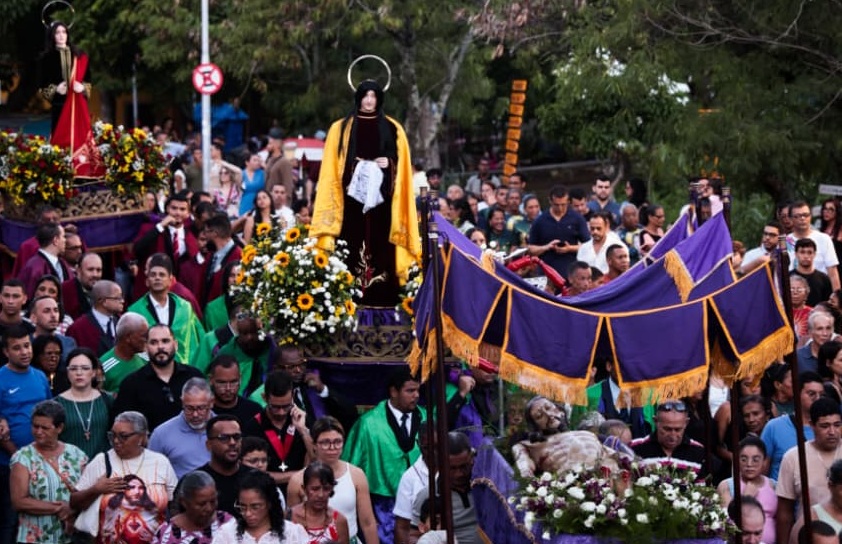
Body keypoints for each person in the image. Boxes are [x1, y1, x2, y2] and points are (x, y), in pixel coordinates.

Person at [311, 80, 421, 307]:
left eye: (373, 96)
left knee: (382, 252)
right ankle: (347, 300)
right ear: (358, 98)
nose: (369, 101)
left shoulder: (393, 128)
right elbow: (334, 169)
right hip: (351, 206)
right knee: (349, 249)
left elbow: (401, 170)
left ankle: (386, 300)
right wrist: (356, 167)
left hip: (383, 207)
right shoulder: (340, 129)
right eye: (365, 96)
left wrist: (387, 164)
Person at [70, 411, 178, 544]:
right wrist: (96, 489)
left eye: (123, 436)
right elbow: (73, 502)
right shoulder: (102, 461)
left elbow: (175, 503)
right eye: (112, 435)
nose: (116, 441)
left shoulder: (160, 462)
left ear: (141, 437)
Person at [287, 417, 378, 544]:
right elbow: (291, 523)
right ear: (314, 444)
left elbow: (368, 522)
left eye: (337, 442)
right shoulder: (297, 480)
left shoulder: (356, 474)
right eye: (325, 442)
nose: (332, 447)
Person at [0, 323, 53, 544]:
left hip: (42, 461)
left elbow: (50, 413)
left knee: (41, 518)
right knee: (10, 520)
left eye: (27, 346)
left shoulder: (41, 377)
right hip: (9, 463)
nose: (24, 352)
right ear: (6, 352)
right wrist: (20, 456)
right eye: (17, 348)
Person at [10, 400, 87, 544]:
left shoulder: (77, 455)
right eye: (35, 426)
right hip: (34, 538)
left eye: (45, 427)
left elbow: (87, 493)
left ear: (59, 428)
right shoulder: (23, 458)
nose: (38, 432)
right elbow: (19, 501)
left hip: (70, 538)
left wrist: (73, 509)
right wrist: (61, 508)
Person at [512, 396, 633, 479]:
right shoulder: (529, 446)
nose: (549, 415)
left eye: (548, 408)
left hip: (609, 476)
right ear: (535, 427)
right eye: (539, 416)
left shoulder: (587, 434)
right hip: (573, 487)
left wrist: (641, 465)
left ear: (560, 410)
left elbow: (618, 456)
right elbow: (524, 471)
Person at [112, 324, 203, 432]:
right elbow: (122, 426)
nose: (160, 347)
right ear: (146, 347)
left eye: (165, 341)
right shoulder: (131, 384)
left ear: (175, 344)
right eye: (154, 342)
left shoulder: (194, 377)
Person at [776, 397, 842, 544]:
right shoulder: (793, 457)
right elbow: (784, 513)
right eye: (825, 426)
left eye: (837, 425)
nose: (832, 431)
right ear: (812, 425)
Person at [38, 21, 99, 179]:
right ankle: (61, 173)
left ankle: (82, 170)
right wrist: (55, 89)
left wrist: (83, 88)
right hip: (60, 106)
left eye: (63, 32)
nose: (61, 35)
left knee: (80, 138)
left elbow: (88, 80)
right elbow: (42, 85)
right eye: (57, 33)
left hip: (78, 105)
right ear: (52, 36)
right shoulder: (47, 58)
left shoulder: (79, 55)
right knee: (61, 140)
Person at [411, 431, 483, 544]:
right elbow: (413, 535)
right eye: (452, 468)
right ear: (440, 464)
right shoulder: (428, 495)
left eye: (464, 466)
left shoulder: (485, 488)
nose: (459, 474)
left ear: (472, 460)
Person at [212, 469, 309, 544]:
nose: (248, 513)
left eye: (255, 507)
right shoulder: (227, 534)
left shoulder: (292, 533)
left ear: (269, 503)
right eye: (242, 507)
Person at [148, 378, 214, 478]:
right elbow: (151, 473)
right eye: (189, 408)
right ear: (182, 402)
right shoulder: (161, 434)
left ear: (211, 402)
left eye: (201, 408)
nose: (195, 414)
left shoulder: (225, 429)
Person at [716, 436, 777, 544]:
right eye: (744, 459)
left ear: (764, 461)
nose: (749, 464)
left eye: (755, 460)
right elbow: (725, 523)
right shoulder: (726, 485)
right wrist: (746, 496)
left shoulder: (773, 485)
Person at [55, 348, 112, 459]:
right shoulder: (56, 404)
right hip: (68, 468)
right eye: (73, 369)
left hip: (102, 467)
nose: (79, 373)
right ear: (67, 372)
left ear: (94, 372)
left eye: (85, 368)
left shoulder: (107, 400)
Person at [630, 399, 708, 478]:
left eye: (678, 430)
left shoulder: (697, 451)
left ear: (686, 423)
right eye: (667, 429)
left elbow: (701, 486)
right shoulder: (635, 448)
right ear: (655, 421)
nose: (673, 435)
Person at [527, 185, 590, 280]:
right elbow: (531, 249)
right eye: (556, 205)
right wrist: (546, 247)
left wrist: (570, 248)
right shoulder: (540, 221)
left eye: (563, 204)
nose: (560, 208)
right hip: (546, 272)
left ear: (568, 202)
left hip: (571, 273)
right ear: (550, 201)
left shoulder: (577, 219)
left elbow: (588, 246)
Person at [153, 470, 233, 544]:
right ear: (184, 502)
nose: (209, 508)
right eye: (202, 504)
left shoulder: (227, 524)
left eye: (213, 501)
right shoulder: (167, 534)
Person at [289, 462, 350, 544]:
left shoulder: (339, 521)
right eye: (315, 489)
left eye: (326, 489)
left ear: (331, 489)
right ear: (304, 489)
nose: (321, 495)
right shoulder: (290, 518)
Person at [100, 312, 150, 394]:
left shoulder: (147, 358)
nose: (147, 339)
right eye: (144, 335)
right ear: (128, 337)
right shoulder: (103, 367)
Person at [240, 152, 266, 217]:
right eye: (255, 160)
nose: (257, 162)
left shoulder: (262, 173)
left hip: (259, 202)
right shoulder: (241, 174)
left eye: (259, 160)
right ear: (247, 162)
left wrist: (265, 166)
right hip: (244, 202)